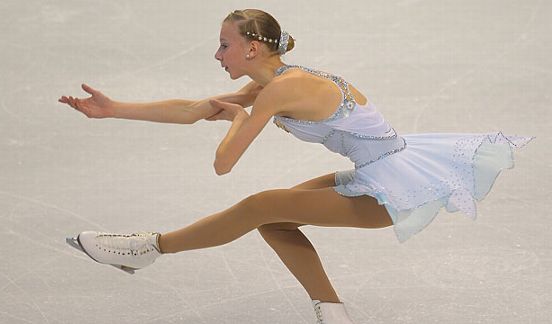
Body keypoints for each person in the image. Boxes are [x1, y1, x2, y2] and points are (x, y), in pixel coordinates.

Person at [58, 9, 533, 324]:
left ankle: (149, 248)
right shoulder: (272, 83)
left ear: (252, 49)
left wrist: (242, 118)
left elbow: (224, 164)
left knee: (261, 205)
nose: (217, 54)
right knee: (275, 221)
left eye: (224, 45)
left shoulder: (282, 89)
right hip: (378, 173)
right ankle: (331, 310)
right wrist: (114, 108)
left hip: (393, 183)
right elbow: (193, 108)